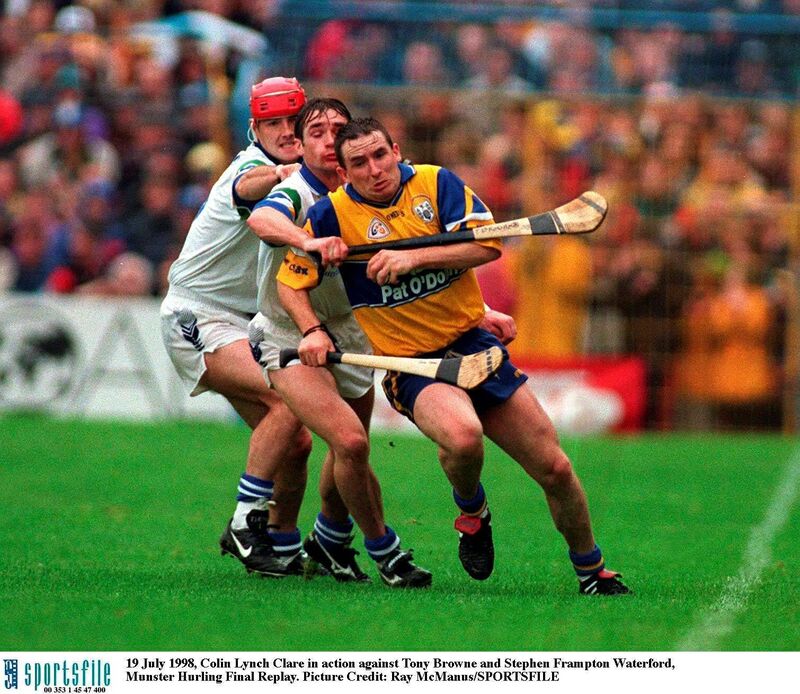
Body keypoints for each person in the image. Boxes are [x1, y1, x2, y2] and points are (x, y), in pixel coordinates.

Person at [277, 117, 630, 595]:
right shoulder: (330, 218)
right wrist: (313, 331)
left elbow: (487, 244)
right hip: (414, 367)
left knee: (555, 468)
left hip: (473, 344)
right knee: (464, 439)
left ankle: (592, 571)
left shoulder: (436, 183)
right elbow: (290, 283)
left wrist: (413, 258)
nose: (375, 169)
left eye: (380, 155)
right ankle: (472, 511)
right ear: (343, 171)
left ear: (396, 151)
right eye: (359, 163)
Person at [245, 97, 432, 587]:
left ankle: (329, 538)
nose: (330, 141)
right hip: (289, 333)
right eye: (317, 133)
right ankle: (386, 551)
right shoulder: (298, 189)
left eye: (338, 131)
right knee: (349, 440)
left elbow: (426, 243)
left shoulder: (370, 185)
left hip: (351, 330)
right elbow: (261, 219)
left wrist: (483, 310)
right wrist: (308, 241)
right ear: (300, 146)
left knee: (352, 452)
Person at [160, 77, 336, 578]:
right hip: (197, 313)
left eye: (292, 121)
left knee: (296, 441)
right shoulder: (253, 168)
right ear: (255, 129)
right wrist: (281, 171)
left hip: (243, 321)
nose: (285, 131)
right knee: (286, 401)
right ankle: (244, 523)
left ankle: (280, 543)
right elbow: (248, 188)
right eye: (271, 123)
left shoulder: (308, 175)